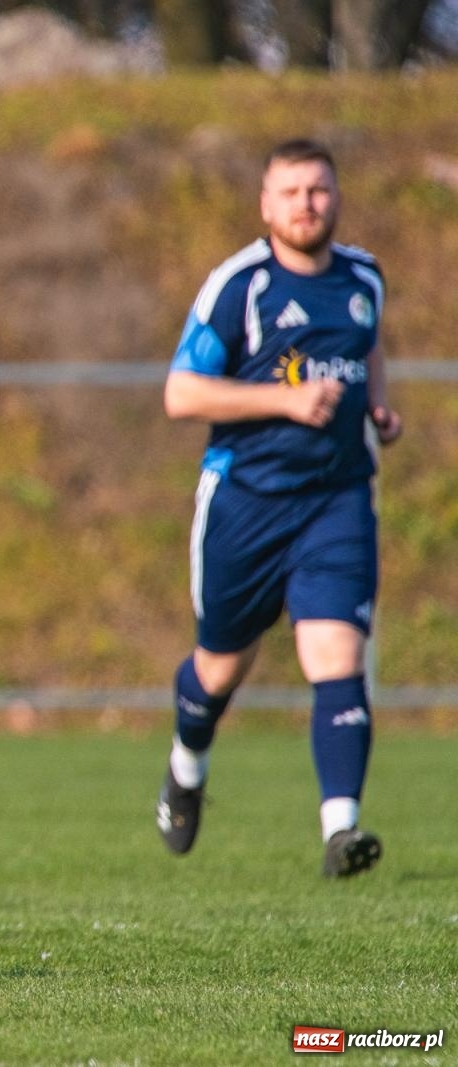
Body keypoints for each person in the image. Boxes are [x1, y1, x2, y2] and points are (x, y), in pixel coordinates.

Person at [154, 140, 400, 878]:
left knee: (336, 655)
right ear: (266, 205)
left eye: (318, 189)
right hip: (247, 503)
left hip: (338, 498)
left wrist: (379, 405)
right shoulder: (239, 286)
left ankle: (340, 830)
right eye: (290, 192)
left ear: (336, 196)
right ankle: (187, 765)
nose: (306, 204)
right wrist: (284, 400)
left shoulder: (363, 278)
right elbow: (181, 393)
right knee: (220, 667)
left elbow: (370, 344)